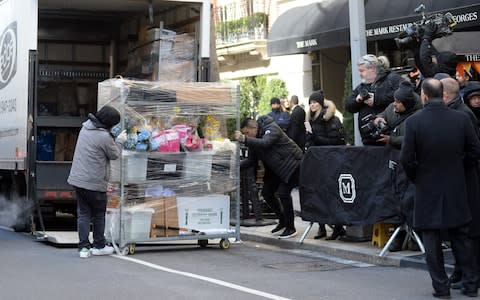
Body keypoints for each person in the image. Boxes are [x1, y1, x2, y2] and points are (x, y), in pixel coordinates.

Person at [400, 78, 480, 298]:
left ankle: (441, 287)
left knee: (432, 240)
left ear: (424, 95)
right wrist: (459, 170)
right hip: (456, 186)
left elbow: (406, 159)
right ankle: (471, 285)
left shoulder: (414, 122)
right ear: (442, 94)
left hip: (427, 187)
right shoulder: (461, 119)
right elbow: (474, 151)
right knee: (461, 237)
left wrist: (418, 176)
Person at [68, 105, 126, 258]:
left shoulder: (85, 129)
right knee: (99, 214)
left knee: (83, 213)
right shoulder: (104, 137)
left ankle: (83, 248)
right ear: (109, 122)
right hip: (94, 182)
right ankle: (99, 245)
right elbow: (114, 154)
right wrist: (119, 141)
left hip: (78, 180)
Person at [235, 116, 303, 239]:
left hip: (292, 164)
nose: (246, 135)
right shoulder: (253, 140)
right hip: (276, 168)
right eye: (244, 134)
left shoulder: (271, 128)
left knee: (283, 193)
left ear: (254, 128)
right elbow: (251, 160)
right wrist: (235, 167)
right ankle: (282, 221)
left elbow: (266, 143)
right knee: (267, 193)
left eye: (247, 132)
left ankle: (290, 227)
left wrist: (244, 139)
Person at [304, 91, 346, 240]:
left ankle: (338, 228)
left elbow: (336, 141)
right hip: (317, 162)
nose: (312, 105)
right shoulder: (310, 120)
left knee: (332, 196)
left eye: (315, 102)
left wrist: (316, 139)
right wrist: (308, 143)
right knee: (318, 195)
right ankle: (321, 227)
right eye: (310, 102)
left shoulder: (331, 119)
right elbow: (309, 138)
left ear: (321, 103)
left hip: (331, 162)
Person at [345, 54, 403, 145]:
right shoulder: (361, 87)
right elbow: (348, 106)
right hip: (368, 138)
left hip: (390, 135)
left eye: (362, 71)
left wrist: (377, 99)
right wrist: (357, 100)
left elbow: (404, 94)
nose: (360, 74)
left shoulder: (391, 79)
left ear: (372, 68)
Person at [374, 81, 422, 150]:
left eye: (398, 102)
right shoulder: (392, 107)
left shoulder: (419, 116)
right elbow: (384, 114)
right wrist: (379, 118)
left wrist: (392, 140)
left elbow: (414, 138)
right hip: (391, 153)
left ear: (406, 104)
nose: (394, 104)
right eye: (394, 100)